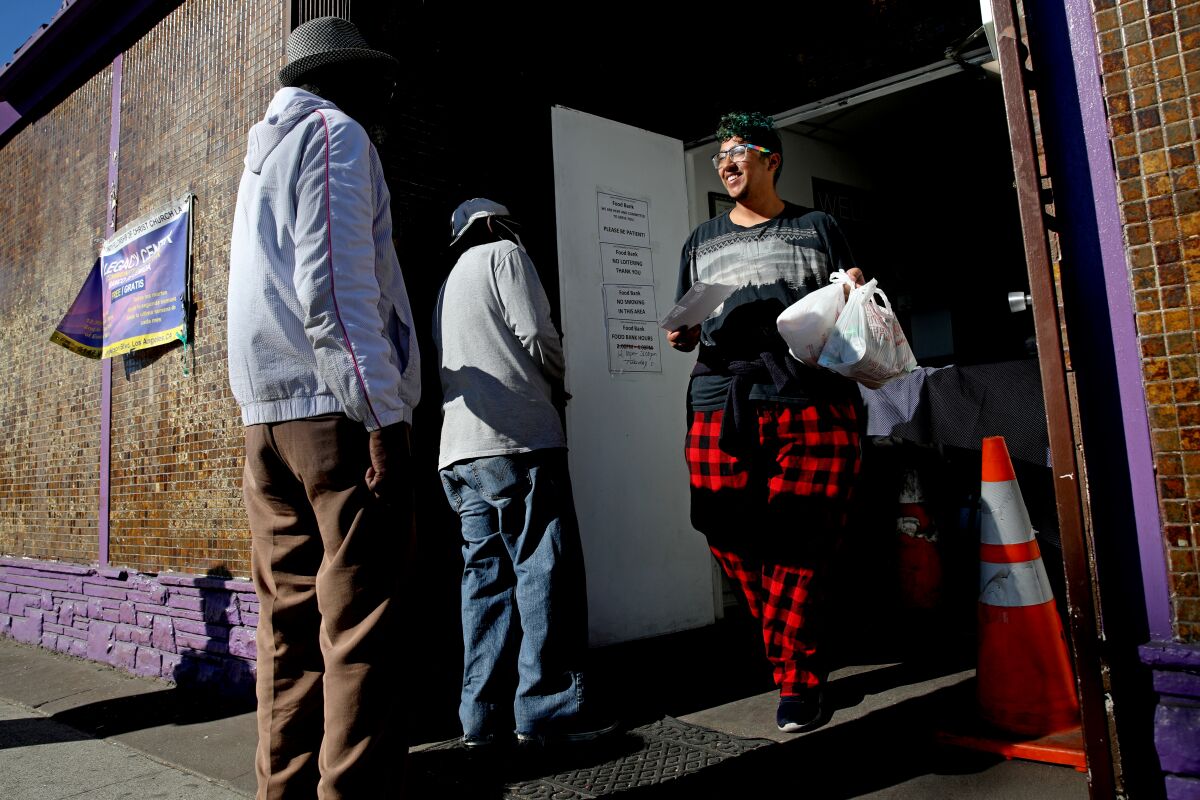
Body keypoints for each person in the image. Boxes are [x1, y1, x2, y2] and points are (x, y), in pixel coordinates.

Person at [227, 17, 419, 799]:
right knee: (359, 626)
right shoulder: (336, 136)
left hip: (263, 419)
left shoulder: (257, 159)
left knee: (289, 629)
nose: (383, 96)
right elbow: (335, 291)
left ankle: (284, 789)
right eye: (372, 79)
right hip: (335, 414)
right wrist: (382, 416)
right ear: (338, 78)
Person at [669, 112, 864, 734]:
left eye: (738, 153)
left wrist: (855, 288)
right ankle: (792, 647)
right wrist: (683, 329)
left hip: (808, 396)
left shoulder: (817, 226)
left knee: (802, 537)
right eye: (718, 157)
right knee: (723, 529)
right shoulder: (700, 238)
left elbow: (850, 301)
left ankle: (797, 677)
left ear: (771, 158)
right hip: (719, 394)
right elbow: (681, 331)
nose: (725, 164)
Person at [433, 198, 614, 749]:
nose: (517, 229)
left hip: (459, 454)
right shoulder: (505, 254)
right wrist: (557, 381)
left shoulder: (446, 286)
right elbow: (537, 333)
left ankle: (480, 717)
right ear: (491, 225)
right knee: (544, 569)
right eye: (511, 220)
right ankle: (547, 709)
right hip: (519, 441)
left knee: (483, 582)